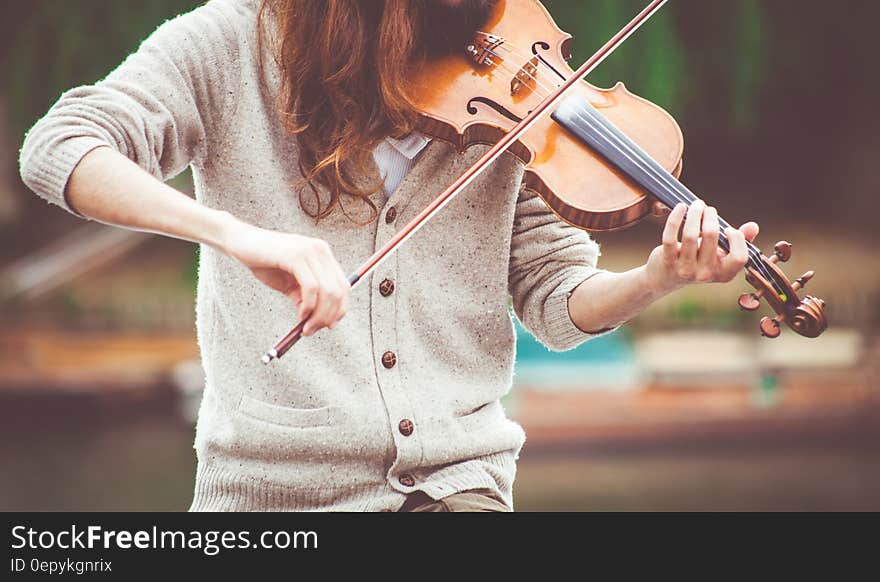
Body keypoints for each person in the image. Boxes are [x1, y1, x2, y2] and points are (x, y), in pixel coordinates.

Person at [18, 0, 758, 512]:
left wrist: (656, 277)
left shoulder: (509, 93)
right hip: (270, 492)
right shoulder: (229, 43)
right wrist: (234, 234)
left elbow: (557, 297)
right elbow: (60, 147)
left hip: (457, 486)